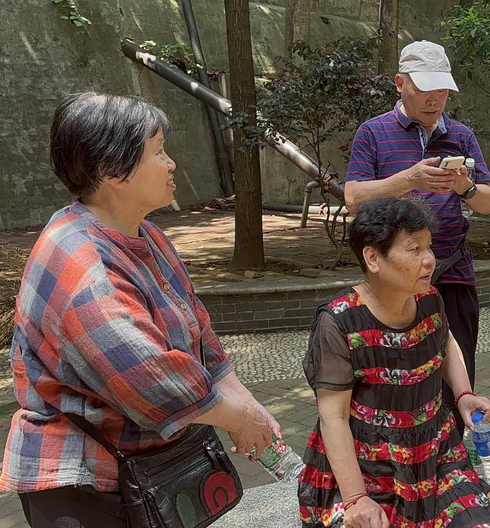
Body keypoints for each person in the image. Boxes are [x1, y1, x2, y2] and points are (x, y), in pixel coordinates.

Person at [0, 93, 280, 527]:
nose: (171, 164)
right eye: (158, 151)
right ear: (113, 171)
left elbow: (200, 334)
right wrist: (240, 418)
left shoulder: (144, 233)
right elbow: (152, 380)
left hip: (141, 470)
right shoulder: (82, 265)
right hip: (86, 486)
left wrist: (250, 409)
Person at [297, 197, 490, 528]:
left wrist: (463, 395)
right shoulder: (339, 321)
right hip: (366, 469)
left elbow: (446, 342)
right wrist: (356, 498)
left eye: (428, 247)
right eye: (414, 249)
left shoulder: (429, 298)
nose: (429, 259)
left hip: (436, 459)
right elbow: (334, 416)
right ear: (373, 257)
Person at [344, 40, 490, 434]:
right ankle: (396, 454)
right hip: (392, 281)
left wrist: (465, 187)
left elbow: (487, 203)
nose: (435, 99)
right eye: (426, 88)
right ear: (400, 83)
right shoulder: (373, 132)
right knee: (393, 380)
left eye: (442, 90)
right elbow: (354, 198)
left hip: (453, 273)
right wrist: (409, 179)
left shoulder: (461, 135)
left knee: (459, 381)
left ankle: (456, 453)